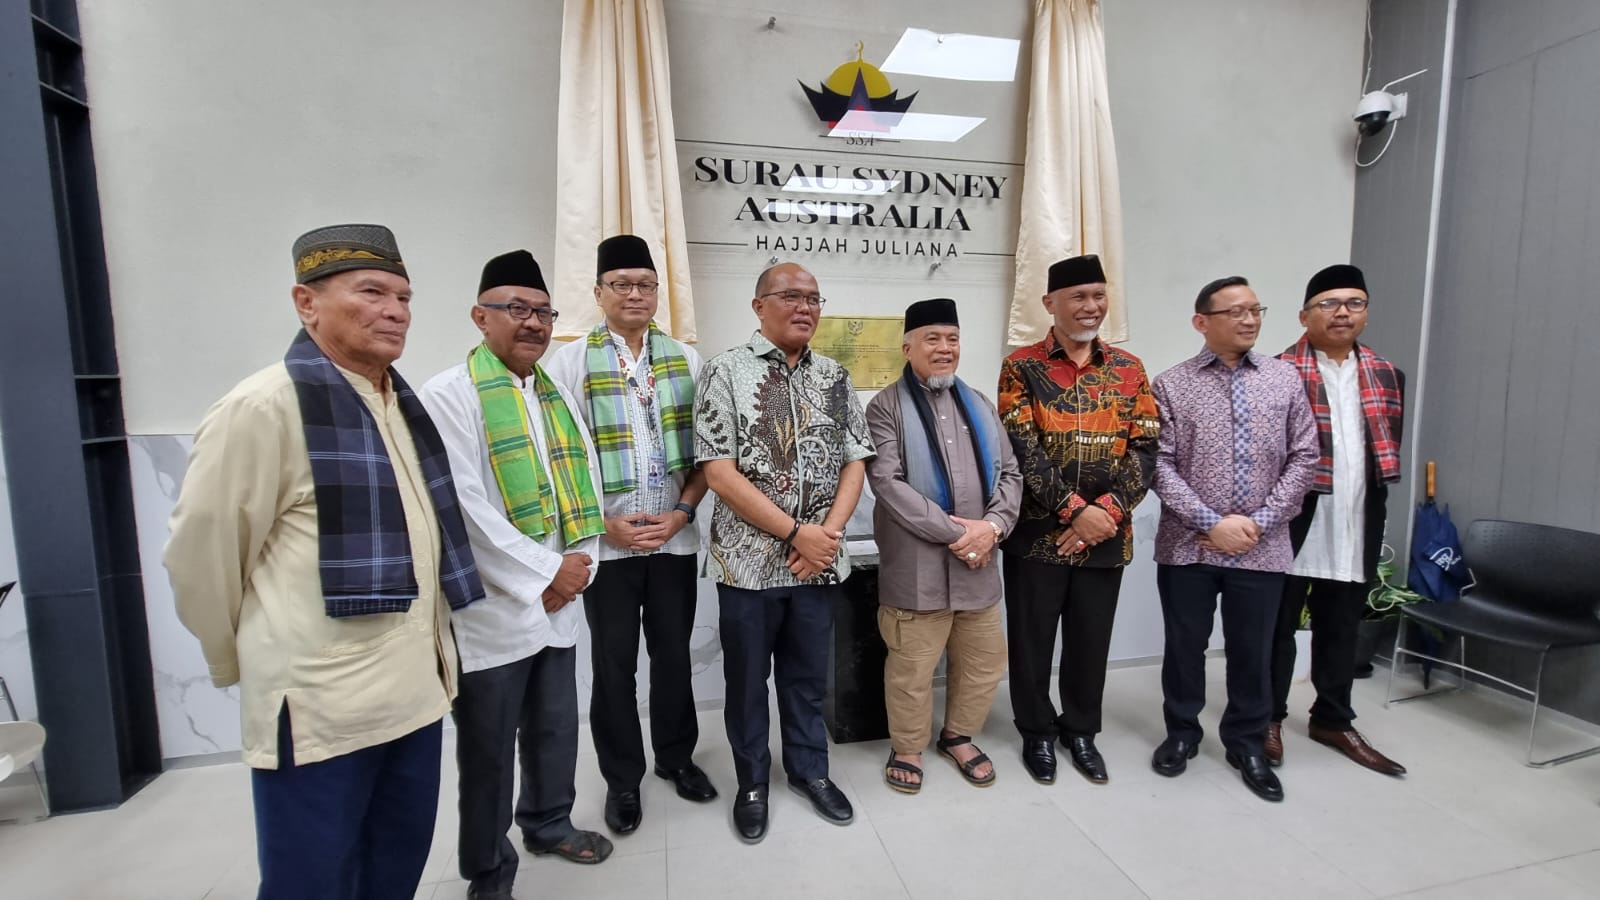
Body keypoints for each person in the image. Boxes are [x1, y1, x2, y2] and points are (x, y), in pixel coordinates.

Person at [166, 224, 485, 900]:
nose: (395, 311)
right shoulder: (264, 407)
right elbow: (202, 558)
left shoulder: (398, 404)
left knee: (393, 868)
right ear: (306, 302)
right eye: (371, 292)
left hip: (413, 694)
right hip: (320, 707)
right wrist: (240, 661)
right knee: (310, 880)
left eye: (403, 296)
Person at [419, 250, 611, 900]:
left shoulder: (555, 396)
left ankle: (549, 822)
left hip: (560, 598)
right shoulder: (450, 395)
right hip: (494, 609)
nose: (533, 323)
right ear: (481, 317)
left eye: (543, 312)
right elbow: (462, 508)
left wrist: (579, 566)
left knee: (556, 726)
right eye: (517, 309)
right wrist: (549, 572)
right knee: (489, 747)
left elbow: (585, 485)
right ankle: (488, 868)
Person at [694, 262, 874, 843]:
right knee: (748, 683)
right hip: (747, 565)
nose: (805, 308)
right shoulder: (725, 370)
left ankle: (809, 771)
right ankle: (752, 782)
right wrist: (799, 533)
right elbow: (719, 473)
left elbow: (855, 461)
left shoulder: (835, 375)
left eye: (814, 299)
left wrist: (826, 537)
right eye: (791, 296)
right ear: (758, 306)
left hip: (816, 565)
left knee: (806, 679)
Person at [544, 235, 716, 835]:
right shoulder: (567, 364)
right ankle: (622, 780)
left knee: (674, 657)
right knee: (614, 666)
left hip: (673, 540)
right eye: (621, 284)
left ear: (658, 292)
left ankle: (676, 758)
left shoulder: (687, 360)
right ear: (598, 292)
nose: (635, 294)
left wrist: (683, 513)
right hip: (609, 547)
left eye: (645, 284)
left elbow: (708, 453)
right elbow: (559, 460)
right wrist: (601, 525)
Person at [1150, 275, 1317, 803]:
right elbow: (1158, 464)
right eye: (1236, 312)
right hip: (1187, 546)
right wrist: (1211, 522)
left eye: (1255, 310)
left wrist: (1258, 524)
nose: (1249, 320)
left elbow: (1305, 457)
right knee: (1185, 647)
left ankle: (1246, 743)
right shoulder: (1170, 384)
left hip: (1262, 547)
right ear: (1201, 322)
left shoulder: (1285, 379)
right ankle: (1182, 733)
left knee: (1253, 649)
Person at [997, 254, 1161, 785]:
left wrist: (1104, 514)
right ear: (1050, 303)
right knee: (1031, 642)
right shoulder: (1021, 367)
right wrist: (1074, 512)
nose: (1091, 306)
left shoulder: (1129, 369)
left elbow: (1146, 450)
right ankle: (1036, 732)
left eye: (1098, 295)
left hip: (1107, 535)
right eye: (1078, 297)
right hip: (1036, 535)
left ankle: (1082, 731)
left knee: (1091, 641)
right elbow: (1022, 450)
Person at [864, 298, 1022, 794]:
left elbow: (1010, 473)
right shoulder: (885, 407)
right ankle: (908, 747)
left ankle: (958, 736)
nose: (944, 348)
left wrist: (992, 527)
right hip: (919, 571)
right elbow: (887, 484)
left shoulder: (979, 403)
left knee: (983, 664)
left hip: (979, 567)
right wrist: (961, 535)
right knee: (911, 670)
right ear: (907, 347)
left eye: (952, 339)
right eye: (932, 339)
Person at [1268, 264, 1407, 776]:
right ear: (1304, 315)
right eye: (1329, 303)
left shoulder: (1388, 375)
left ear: (1366, 313)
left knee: (1342, 626)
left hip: (1355, 518)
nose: (1342, 312)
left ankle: (1332, 718)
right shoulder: (1276, 373)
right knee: (1276, 627)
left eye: (1354, 303)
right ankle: (1268, 717)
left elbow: (1381, 455)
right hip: (1292, 519)